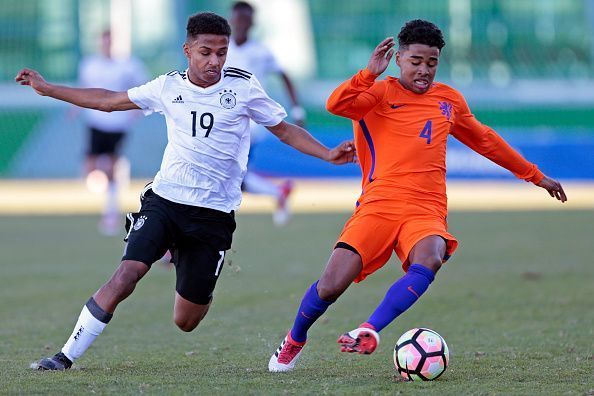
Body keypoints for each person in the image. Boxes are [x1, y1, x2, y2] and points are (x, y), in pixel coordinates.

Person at [15, 12, 356, 371]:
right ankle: (64, 356)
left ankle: (181, 254)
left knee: (186, 320)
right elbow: (108, 100)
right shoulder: (167, 87)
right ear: (188, 50)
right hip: (165, 201)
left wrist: (326, 153)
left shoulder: (244, 87)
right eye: (206, 52)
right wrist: (49, 88)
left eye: (221, 53)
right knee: (126, 274)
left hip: (213, 215)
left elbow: (284, 129)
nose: (215, 61)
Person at [268, 19, 567, 372]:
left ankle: (369, 329)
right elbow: (337, 105)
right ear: (399, 59)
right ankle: (295, 339)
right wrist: (367, 73)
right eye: (416, 62)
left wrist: (535, 176)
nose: (424, 70)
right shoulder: (378, 92)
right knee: (332, 286)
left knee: (431, 258)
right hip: (379, 204)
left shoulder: (449, 100)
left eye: (432, 62)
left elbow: (486, 140)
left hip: (426, 208)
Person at [227, 1, 306, 226]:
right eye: (237, 18)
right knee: (232, 177)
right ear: (231, 20)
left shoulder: (261, 51)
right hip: (224, 118)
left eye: (245, 19)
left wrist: (297, 109)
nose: (241, 23)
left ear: (252, 22)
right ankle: (278, 192)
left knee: (226, 173)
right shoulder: (221, 48)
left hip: (252, 121)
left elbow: (285, 76)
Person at [78, 30, 148, 235]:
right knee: (90, 167)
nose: (107, 45)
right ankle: (111, 180)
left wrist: (137, 110)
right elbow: (83, 88)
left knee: (110, 166)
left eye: (110, 41)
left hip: (118, 123)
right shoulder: (89, 65)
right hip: (95, 120)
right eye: (104, 41)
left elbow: (143, 86)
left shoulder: (128, 65)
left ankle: (110, 211)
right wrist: (74, 108)